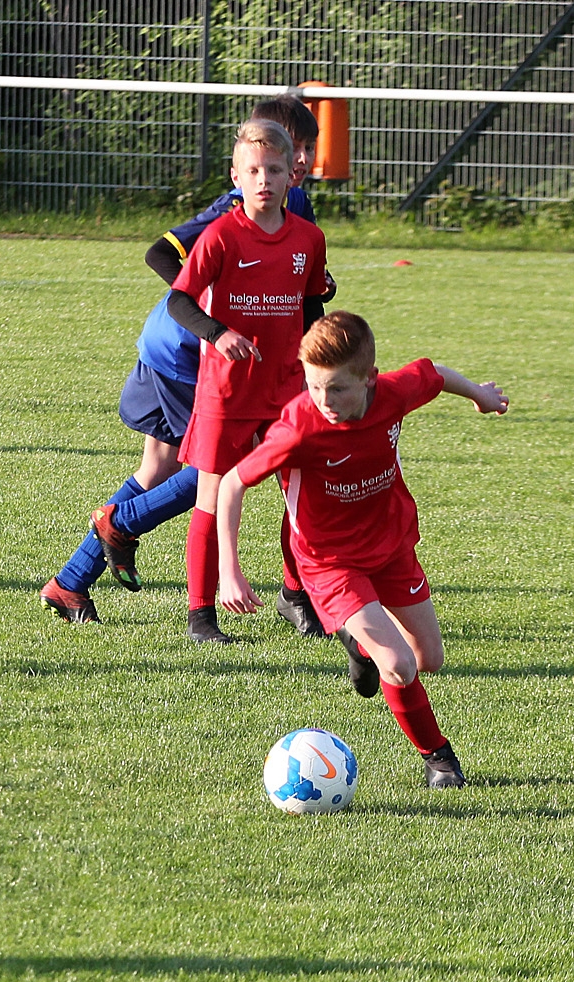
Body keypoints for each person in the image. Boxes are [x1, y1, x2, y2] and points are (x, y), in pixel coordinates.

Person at [41, 98, 333, 638]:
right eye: (296, 147)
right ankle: (124, 528)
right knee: (214, 473)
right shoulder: (234, 208)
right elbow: (161, 255)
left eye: (305, 150)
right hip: (190, 355)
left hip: (208, 356)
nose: (300, 160)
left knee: (159, 472)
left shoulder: (296, 206)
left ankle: (70, 581)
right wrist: (215, 314)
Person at [215, 311, 509, 788]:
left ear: (369, 378)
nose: (323, 400)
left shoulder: (393, 393)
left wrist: (480, 394)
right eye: (313, 386)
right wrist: (229, 570)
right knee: (400, 665)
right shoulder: (299, 428)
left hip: (392, 546)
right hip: (329, 562)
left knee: (428, 659)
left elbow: (433, 373)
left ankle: (361, 647)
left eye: (336, 388)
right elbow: (232, 483)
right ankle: (439, 759)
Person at [165, 118, 330, 644]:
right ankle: (201, 615)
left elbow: (309, 308)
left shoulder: (309, 238)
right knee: (210, 496)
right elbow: (179, 300)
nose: (264, 180)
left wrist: (321, 369)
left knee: (302, 496)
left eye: (274, 170)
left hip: (286, 390)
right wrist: (217, 334)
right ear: (236, 176)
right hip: (227, 392)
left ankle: (296, 595)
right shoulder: (220, 236)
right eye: (253, 170)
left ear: (291, 176)